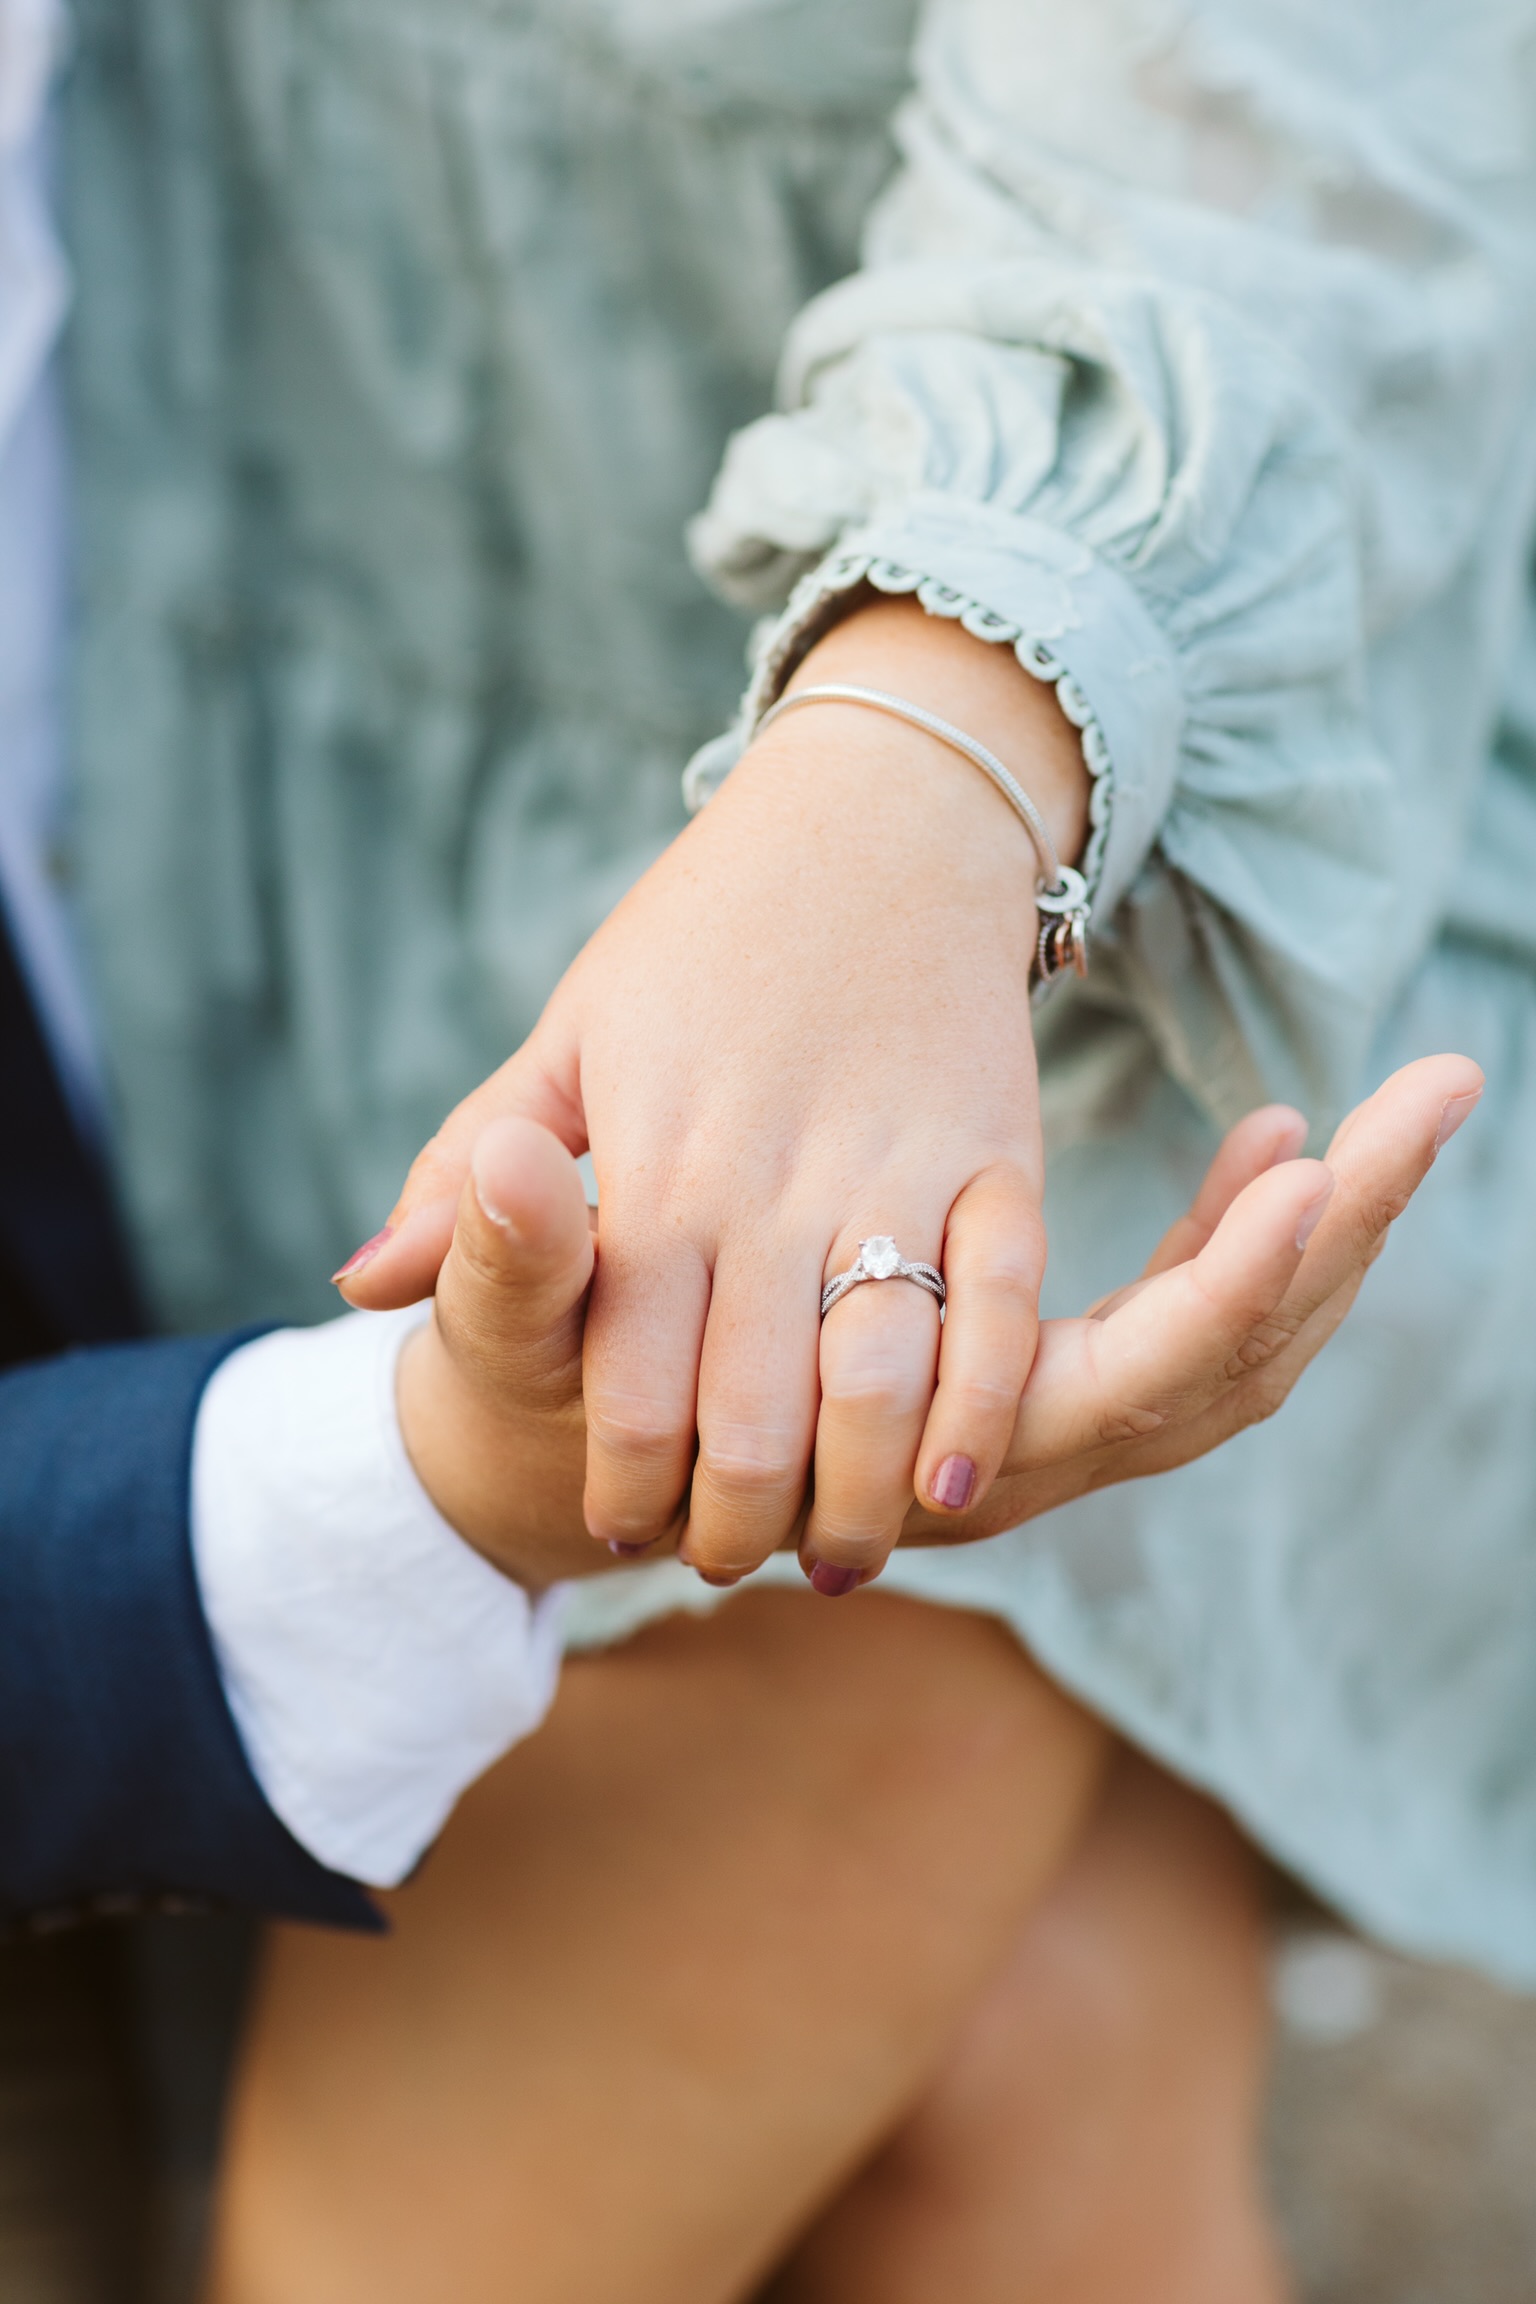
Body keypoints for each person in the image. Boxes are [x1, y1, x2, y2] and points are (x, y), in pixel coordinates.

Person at [43, 0, 1536, 2295]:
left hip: (1117, 825)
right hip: (268, 861)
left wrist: (928, 756)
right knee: (1031, 2046)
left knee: (856, 1737)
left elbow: (1293, 135)